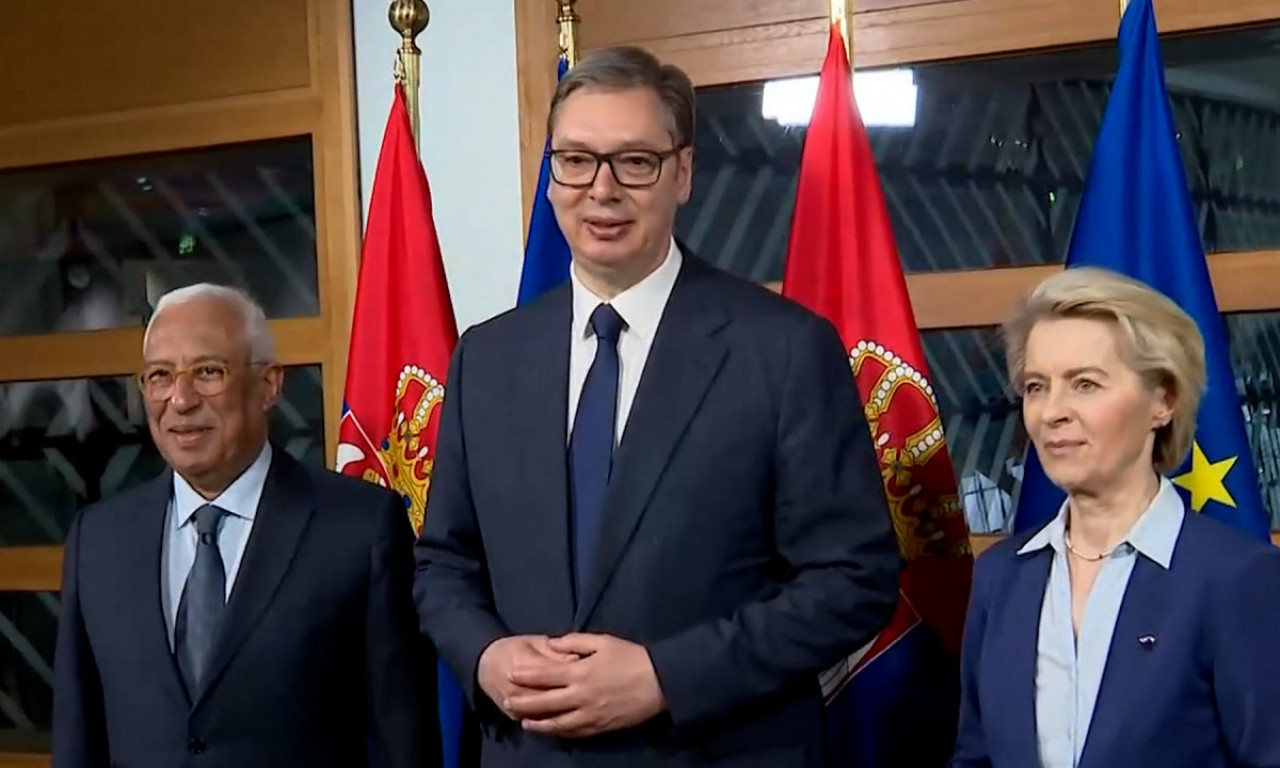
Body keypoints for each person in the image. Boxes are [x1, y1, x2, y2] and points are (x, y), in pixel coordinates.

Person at [414, 46, 901, 767]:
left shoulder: (783, 349)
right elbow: (442, 565)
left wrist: (666, 677)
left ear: (684, 173)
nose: (601, 189)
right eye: (575, 161)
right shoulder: (485, 359)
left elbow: (854, 580)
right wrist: (486, 657)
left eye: (635, 162)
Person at [52, 284, 438, 768]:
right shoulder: (98, 540)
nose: (180, 399)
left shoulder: (360, 529)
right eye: (160, 376)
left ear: (269, 385)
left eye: (208, 372)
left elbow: (404, 737)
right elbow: (78, 738)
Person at [951, 267, 1280, 767]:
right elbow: (974, 757)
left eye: (1085, 384)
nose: (1052, 412)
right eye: (1037, 386)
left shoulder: (1239, 578)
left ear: (1162, 401)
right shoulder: (1000, 576)